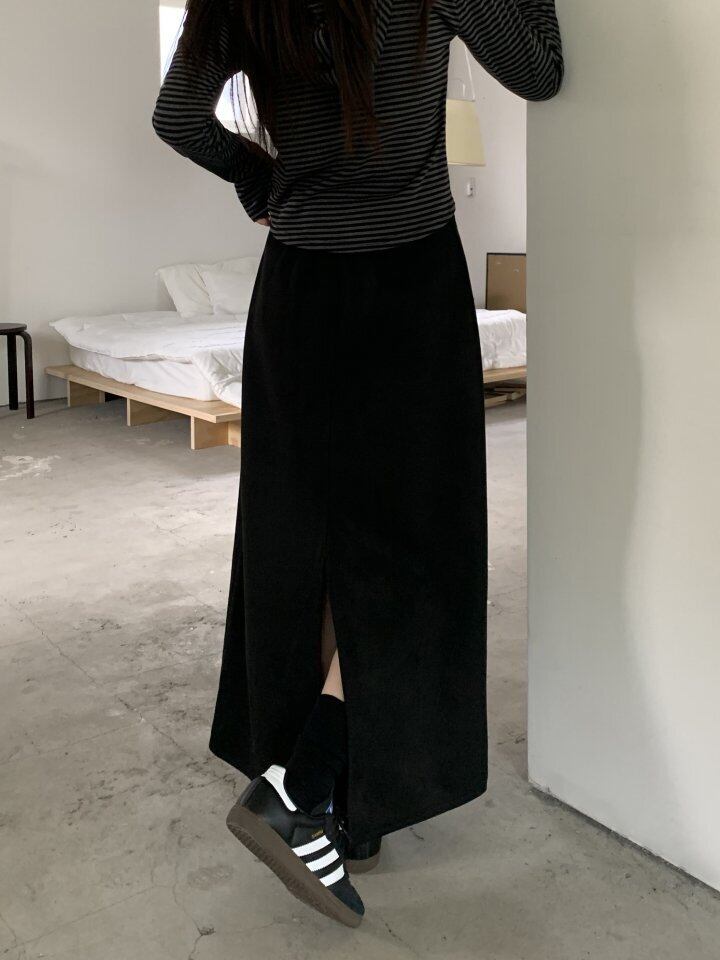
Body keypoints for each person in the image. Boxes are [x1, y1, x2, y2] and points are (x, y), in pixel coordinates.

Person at [153, 0, 563, 928]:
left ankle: (331, 797)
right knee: (419, 553)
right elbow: (540, 70)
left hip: (297, 292)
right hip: (408, 293)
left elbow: (177, 116)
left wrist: (259, 176)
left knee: (304, 544)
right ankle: (311, 784)